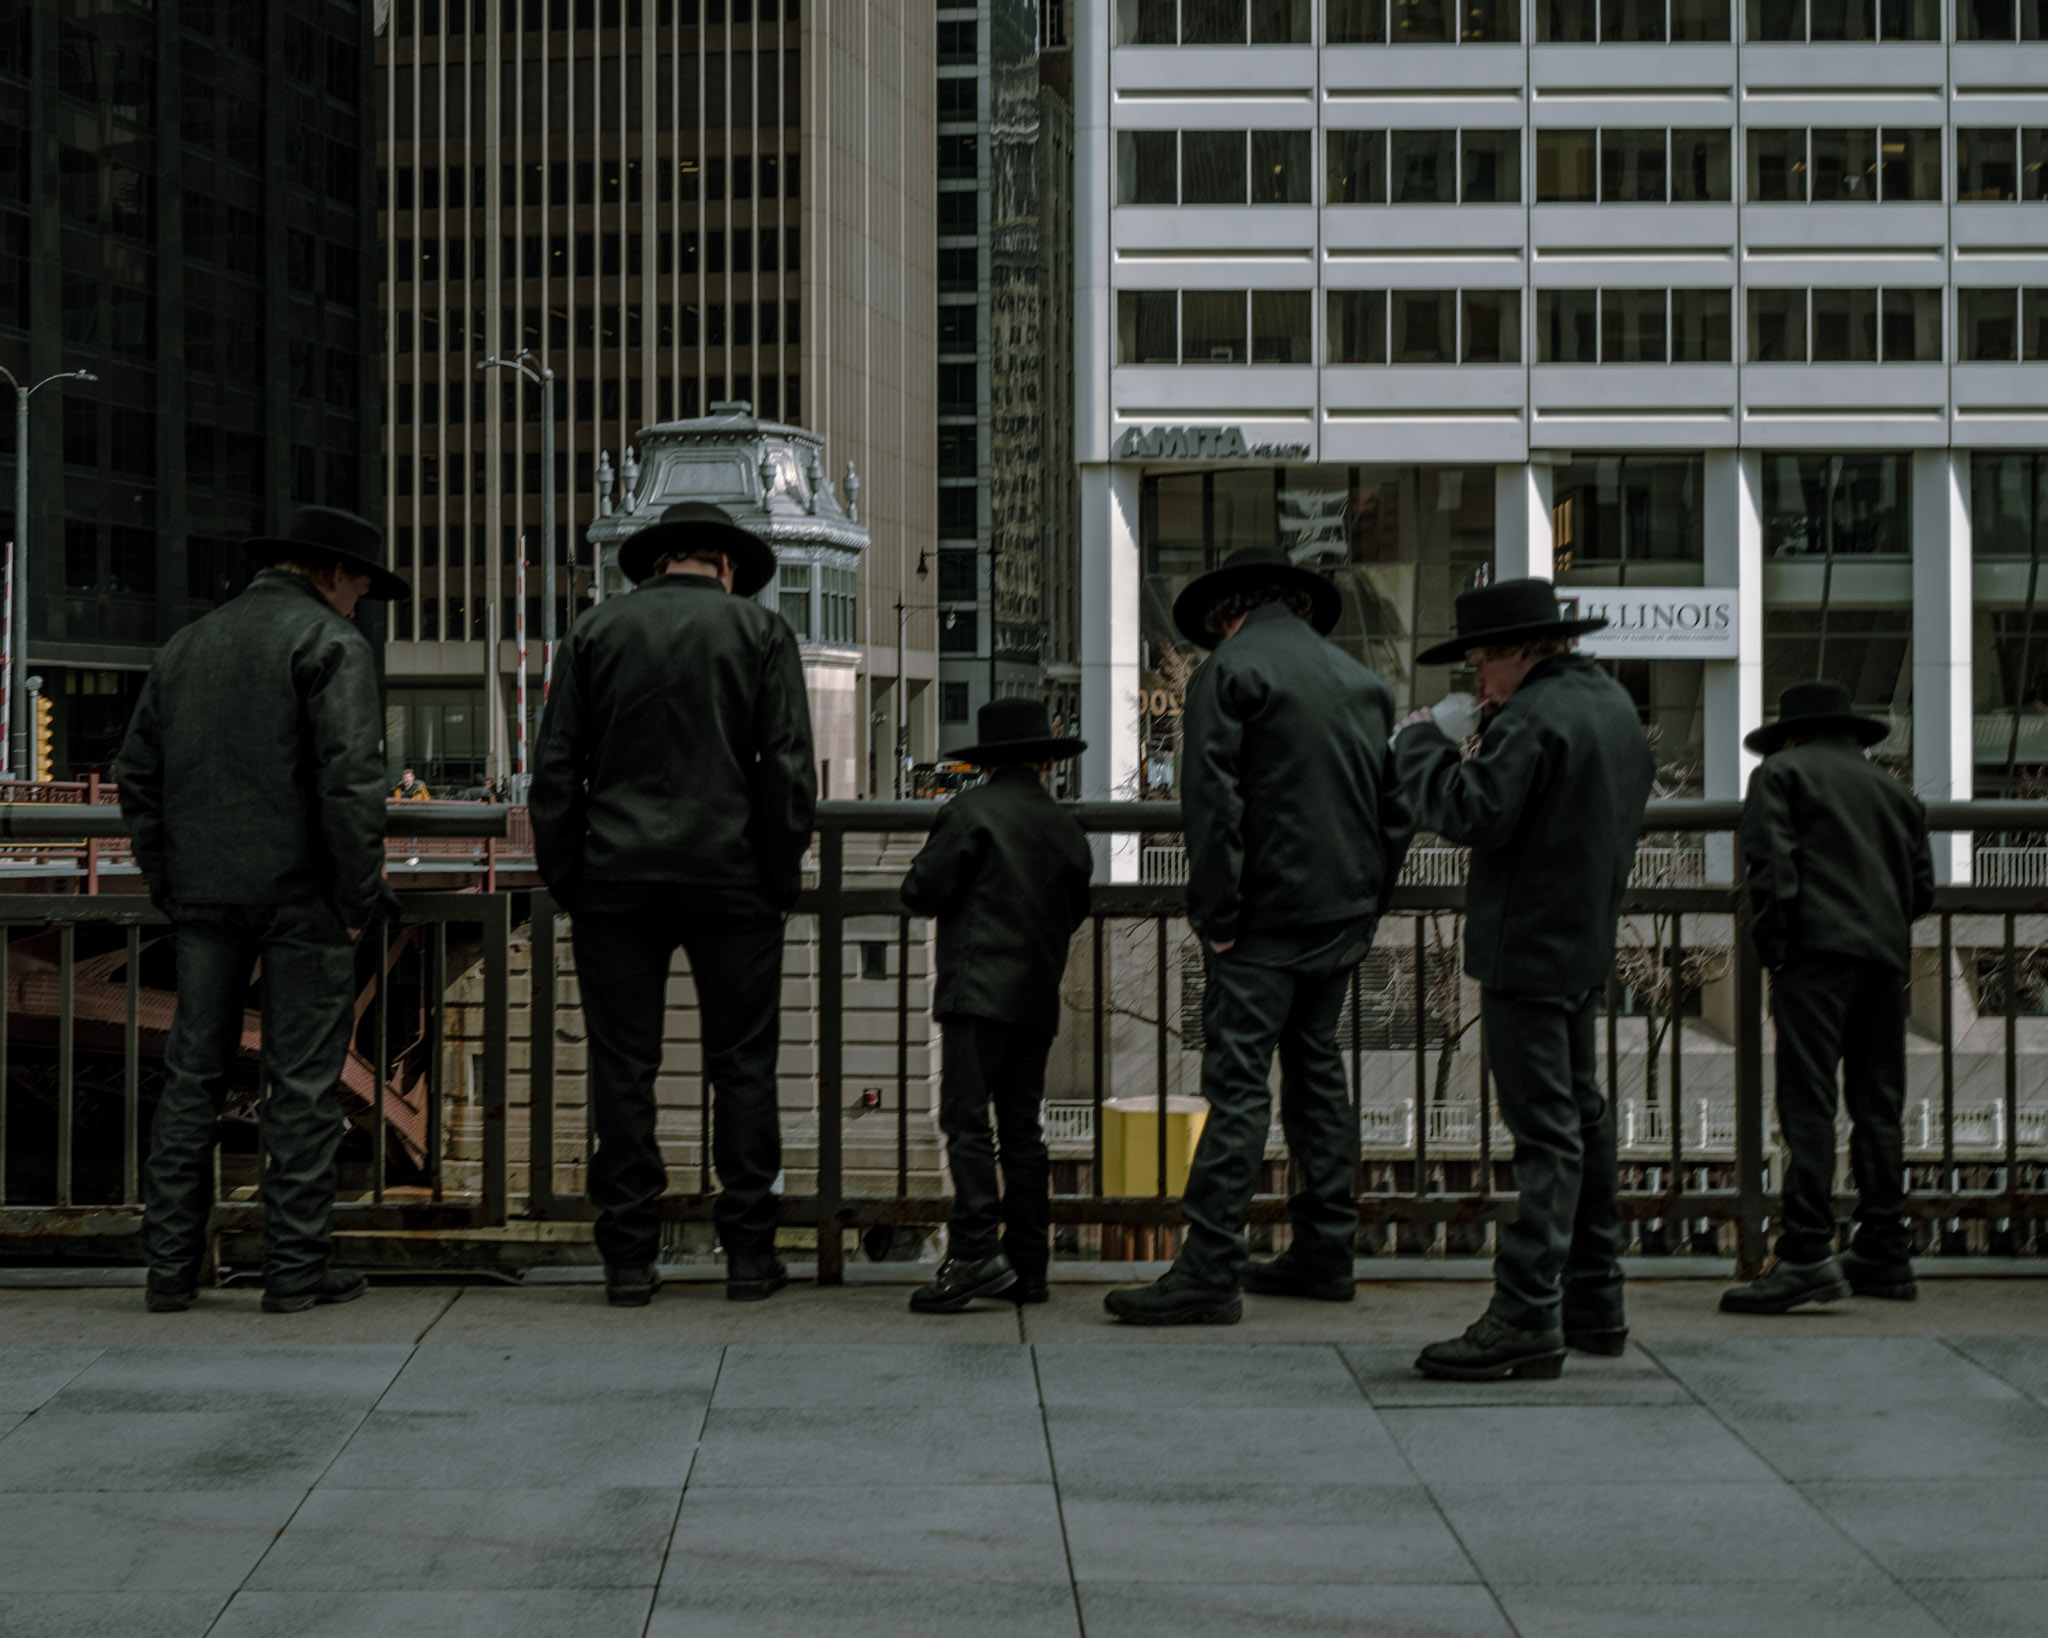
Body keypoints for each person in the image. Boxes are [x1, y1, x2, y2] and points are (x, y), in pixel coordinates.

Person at [1105, 545, 1410, 1326]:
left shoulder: (1229, 672)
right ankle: (1327, 1252)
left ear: (1224, 613)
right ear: (1297, 605)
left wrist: (1219, 917)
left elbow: (1212, 806)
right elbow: (1396, 812)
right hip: (1340, 916)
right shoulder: (1365, 684)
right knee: (1318, 1080)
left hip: (1263, 924)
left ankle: (1210, 1269)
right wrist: (1371, 902)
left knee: (1237, 1090)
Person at [115, 507, 408, 1315]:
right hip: (302, 899)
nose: (360, 606)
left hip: (206, 898)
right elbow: (351, 783)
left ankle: (169, 1271)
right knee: (303, 1087)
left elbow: (135, 774)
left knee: (190, 1081)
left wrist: (168, 878)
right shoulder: (330, 644)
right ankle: (294, 1270)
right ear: (333, 575)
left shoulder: (189, 645)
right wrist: (354, 899)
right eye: (361, 589)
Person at [529, 502, 816, 1306]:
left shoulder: (593, 633)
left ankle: (627, 1258)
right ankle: (750, 1256)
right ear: (726, 567)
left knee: (623, 1068)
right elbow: (787, 766)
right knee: (743, 1065)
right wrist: (779, 876)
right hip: (731, 878)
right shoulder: (761, 635)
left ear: (660, 563)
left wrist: (569, 877)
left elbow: (556, 769)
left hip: (614, 880)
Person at [1392, 577, 1654, 1381]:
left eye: (1480, 667)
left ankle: (1524, 1315)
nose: (1478, 684)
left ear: (1518, 653)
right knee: (1583, 1118)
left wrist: (1421, 743)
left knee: (1545, 1133)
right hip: (1582, 939)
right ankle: (1595, 1301)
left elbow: (1473, 813)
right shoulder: (1609, 705)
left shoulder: (1533, 718)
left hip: (1526, 946)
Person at [1721, 680, 1934, 1314]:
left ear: (1789, 736)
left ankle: (1807, 1252)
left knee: (1808, 1101)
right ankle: (1885, 1251)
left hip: (1813, 955)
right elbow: (1921, 890)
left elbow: (1771, 865)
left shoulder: (1781, 776)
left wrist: (1776, 944)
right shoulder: (1897, 792)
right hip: (1883, 958)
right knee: (1878, 1105)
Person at [899, 699, 1093, 1313]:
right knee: (1022, 1132)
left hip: (974, 991)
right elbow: (1077, 907)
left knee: (966, 1124)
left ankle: (977, 1254)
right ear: (1043, 760)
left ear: (989, 761)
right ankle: (1030, 1267)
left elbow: (920, 890)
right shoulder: (1066, 826)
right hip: (1035, 994)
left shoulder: (969, 813)